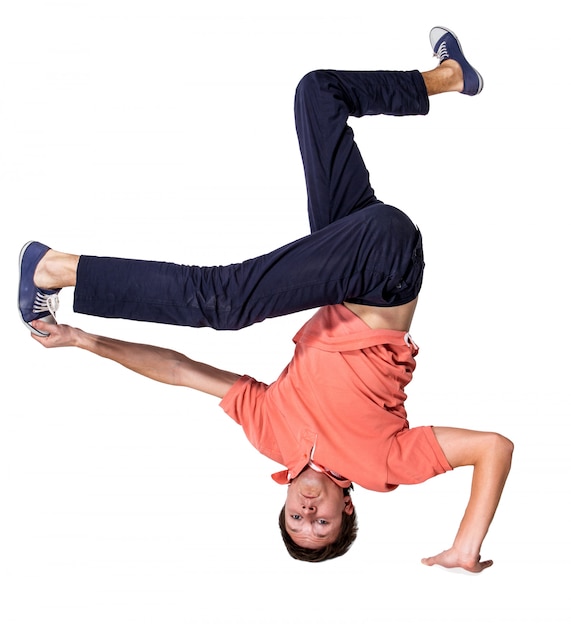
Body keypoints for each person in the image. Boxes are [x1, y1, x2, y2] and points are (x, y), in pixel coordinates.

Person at [18, 27, 513, 571]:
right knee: (225, 302)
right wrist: (467, 544)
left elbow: (181, 371)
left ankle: (449, 77)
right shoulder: (383, 466)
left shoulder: (269, 432)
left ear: (281, 506)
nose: (307, 511)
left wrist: (85, 339)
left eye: (296, 520)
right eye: (321, 522)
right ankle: (56, 267)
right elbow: (493, 447)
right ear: (348, 507)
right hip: (383, 270)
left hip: (346, 262)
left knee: (318, 93)